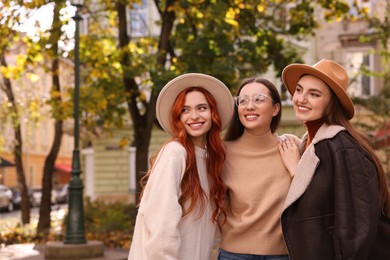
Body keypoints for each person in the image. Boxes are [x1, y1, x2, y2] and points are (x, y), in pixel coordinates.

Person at [280, 59, 390, 259]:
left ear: (332, 102)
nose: (301, 99)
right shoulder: (310, 144)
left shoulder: (344, 148)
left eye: (314, 94)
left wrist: (297, 172)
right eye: (299, 90)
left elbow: (357, 231)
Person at [128, 73, 234, 260]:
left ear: (213, 113)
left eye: (201, 108)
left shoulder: (210, 160)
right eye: (185, 110)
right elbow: (161, 225)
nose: (194, 116)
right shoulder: (175, 153)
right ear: (178, 116)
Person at [218, 77, 300, 260]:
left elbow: (312, 200)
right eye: (243, 101)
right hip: (234, 255)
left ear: (276, 108)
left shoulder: (292, 146)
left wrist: (296, 172)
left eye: (259, 99)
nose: (249, 106)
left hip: (283, 255)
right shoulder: (223, 153)